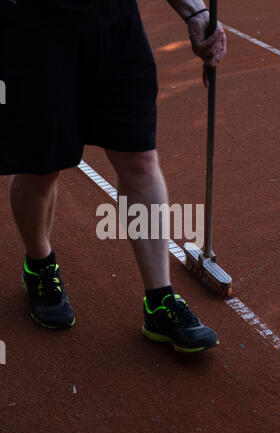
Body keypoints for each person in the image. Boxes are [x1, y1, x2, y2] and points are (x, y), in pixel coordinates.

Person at [0, 0, 226, 352]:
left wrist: (194, 13)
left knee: (139, 160)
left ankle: (159, 301)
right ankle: (39, 263)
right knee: (41, 167)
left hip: (115, 25)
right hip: (35, 32)